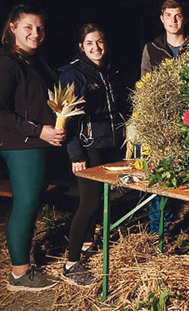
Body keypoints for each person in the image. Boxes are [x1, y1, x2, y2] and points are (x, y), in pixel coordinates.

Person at [0, 4, 65, 291]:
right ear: (12, 29)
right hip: (21, 146)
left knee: (32, 204)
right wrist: (39, 130)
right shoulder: (4, 65)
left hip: (36, 144)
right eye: (28, 27)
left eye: (40, 28)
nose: (35, 33)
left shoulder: (34, 63)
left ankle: (24, 257)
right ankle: (19, 274)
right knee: (25, 205)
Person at [141, 0, 189, 243]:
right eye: (169, 15)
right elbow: (145, 88)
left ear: (184, 18)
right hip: (163, 127)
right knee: (162, 179)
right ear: (161, 18)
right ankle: (158, 234)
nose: (173, 20)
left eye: (178, 15)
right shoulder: (151, 49)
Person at [58, 23, 124, 286]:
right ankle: (71, 264)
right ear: (80, 47)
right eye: (89, 44)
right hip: (87, 147)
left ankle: (86, 245)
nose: (96, 47)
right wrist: (75, 154)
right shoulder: (73, 74)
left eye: (99, 42)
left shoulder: (105, 71)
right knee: (88, 203)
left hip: (105, 144)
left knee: (96, 203)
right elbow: (66, 119)